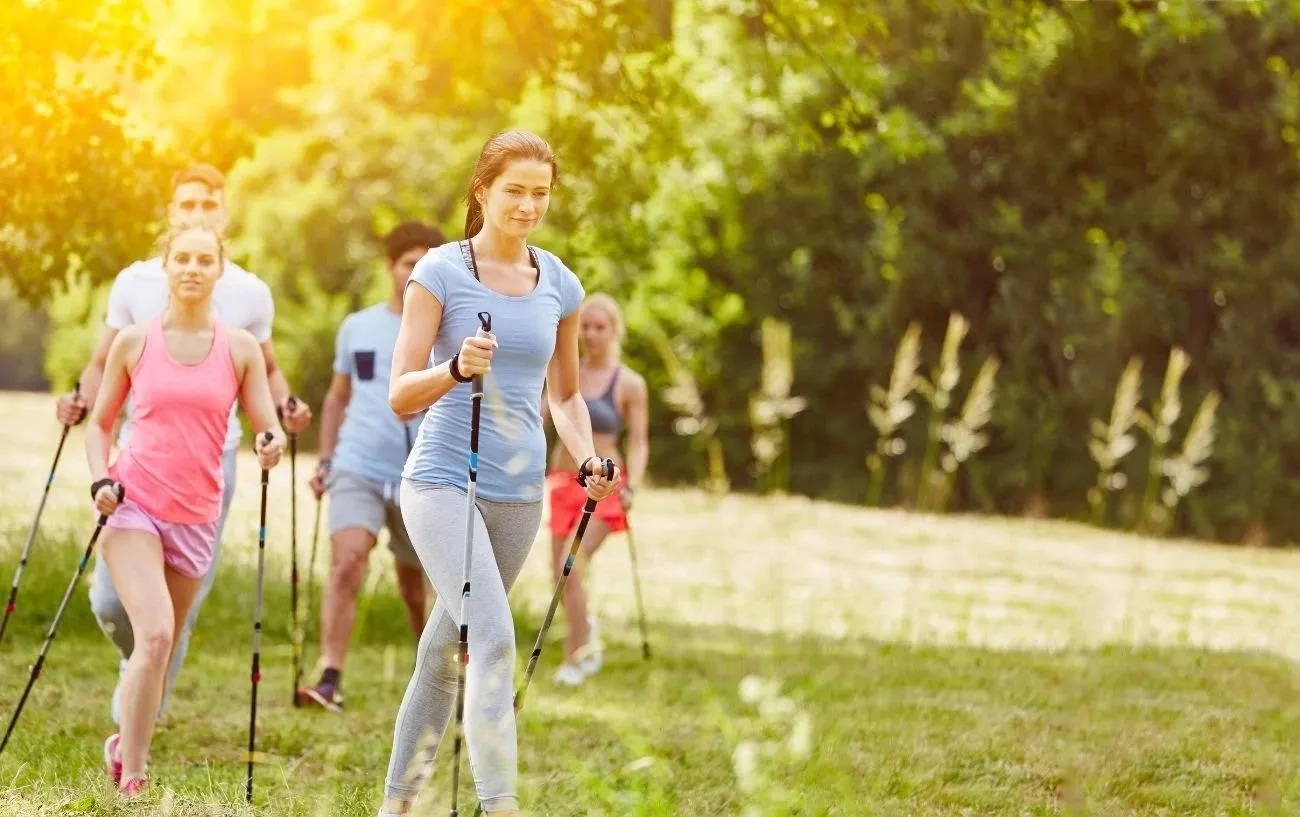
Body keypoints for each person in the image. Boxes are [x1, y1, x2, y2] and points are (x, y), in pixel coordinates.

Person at [380, 129, 620, 817]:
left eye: (540, 192)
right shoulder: (440, 272)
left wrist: (585, 457)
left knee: (440, 651)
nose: (527, 204)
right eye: (514, 189)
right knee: (490, 637)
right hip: (440, 481)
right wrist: (455, 368)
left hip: (517, 494)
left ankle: (395, 805)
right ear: (481, 190)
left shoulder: (560, 284)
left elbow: (565, 395)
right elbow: (399, 391)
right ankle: (501, 805)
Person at [54, 163, 312, 727]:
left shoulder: (249, 292)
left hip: (211, 462)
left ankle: (139, 721)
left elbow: (265, 371)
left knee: (174, 613)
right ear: (172, 211)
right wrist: (78, 398)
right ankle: (144, 666)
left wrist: (284, 414)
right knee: (110, 604)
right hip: (138, 463)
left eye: (208, 204)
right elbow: (103, 363)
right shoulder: (134, 283)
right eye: (187, 204)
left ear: (224, 212)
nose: (197, 213)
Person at [85, 223, 287, 797]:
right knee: (153, 636)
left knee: (165, 641)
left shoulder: (240, 348)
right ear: (165, 266)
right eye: (182, 258)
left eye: (204, 259)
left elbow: (266, 426)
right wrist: (100, 477)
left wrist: (271, 443)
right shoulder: (134, 342)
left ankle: (123, 743)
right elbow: (100, 426)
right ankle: (137, 772)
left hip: (197, 514)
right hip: (134, 504)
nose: (193, 268)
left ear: (219, 270)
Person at [298, 221, 445, 712]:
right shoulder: (357, 327)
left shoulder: (446, 330)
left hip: (419, 471)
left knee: (415, 582)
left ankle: (436, 672)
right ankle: (330, 676)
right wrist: (326, 458)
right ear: (391, 267)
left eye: (425, 265)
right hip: (357, 464)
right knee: (348, 562)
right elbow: (337, 398)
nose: (414, 274)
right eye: (408, 264)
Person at [542, 292, 649, 686]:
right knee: (559, 571)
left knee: (572, 565)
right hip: (562, 482)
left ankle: (578, 653)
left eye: (600, 327)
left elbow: (638, 442)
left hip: (604, 487)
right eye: (585, 326)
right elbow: (539, 415)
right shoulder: (565, 371)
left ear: (614, 330)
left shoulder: (630, 384)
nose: (591, 334)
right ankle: (585, 631)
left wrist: (633, 485)